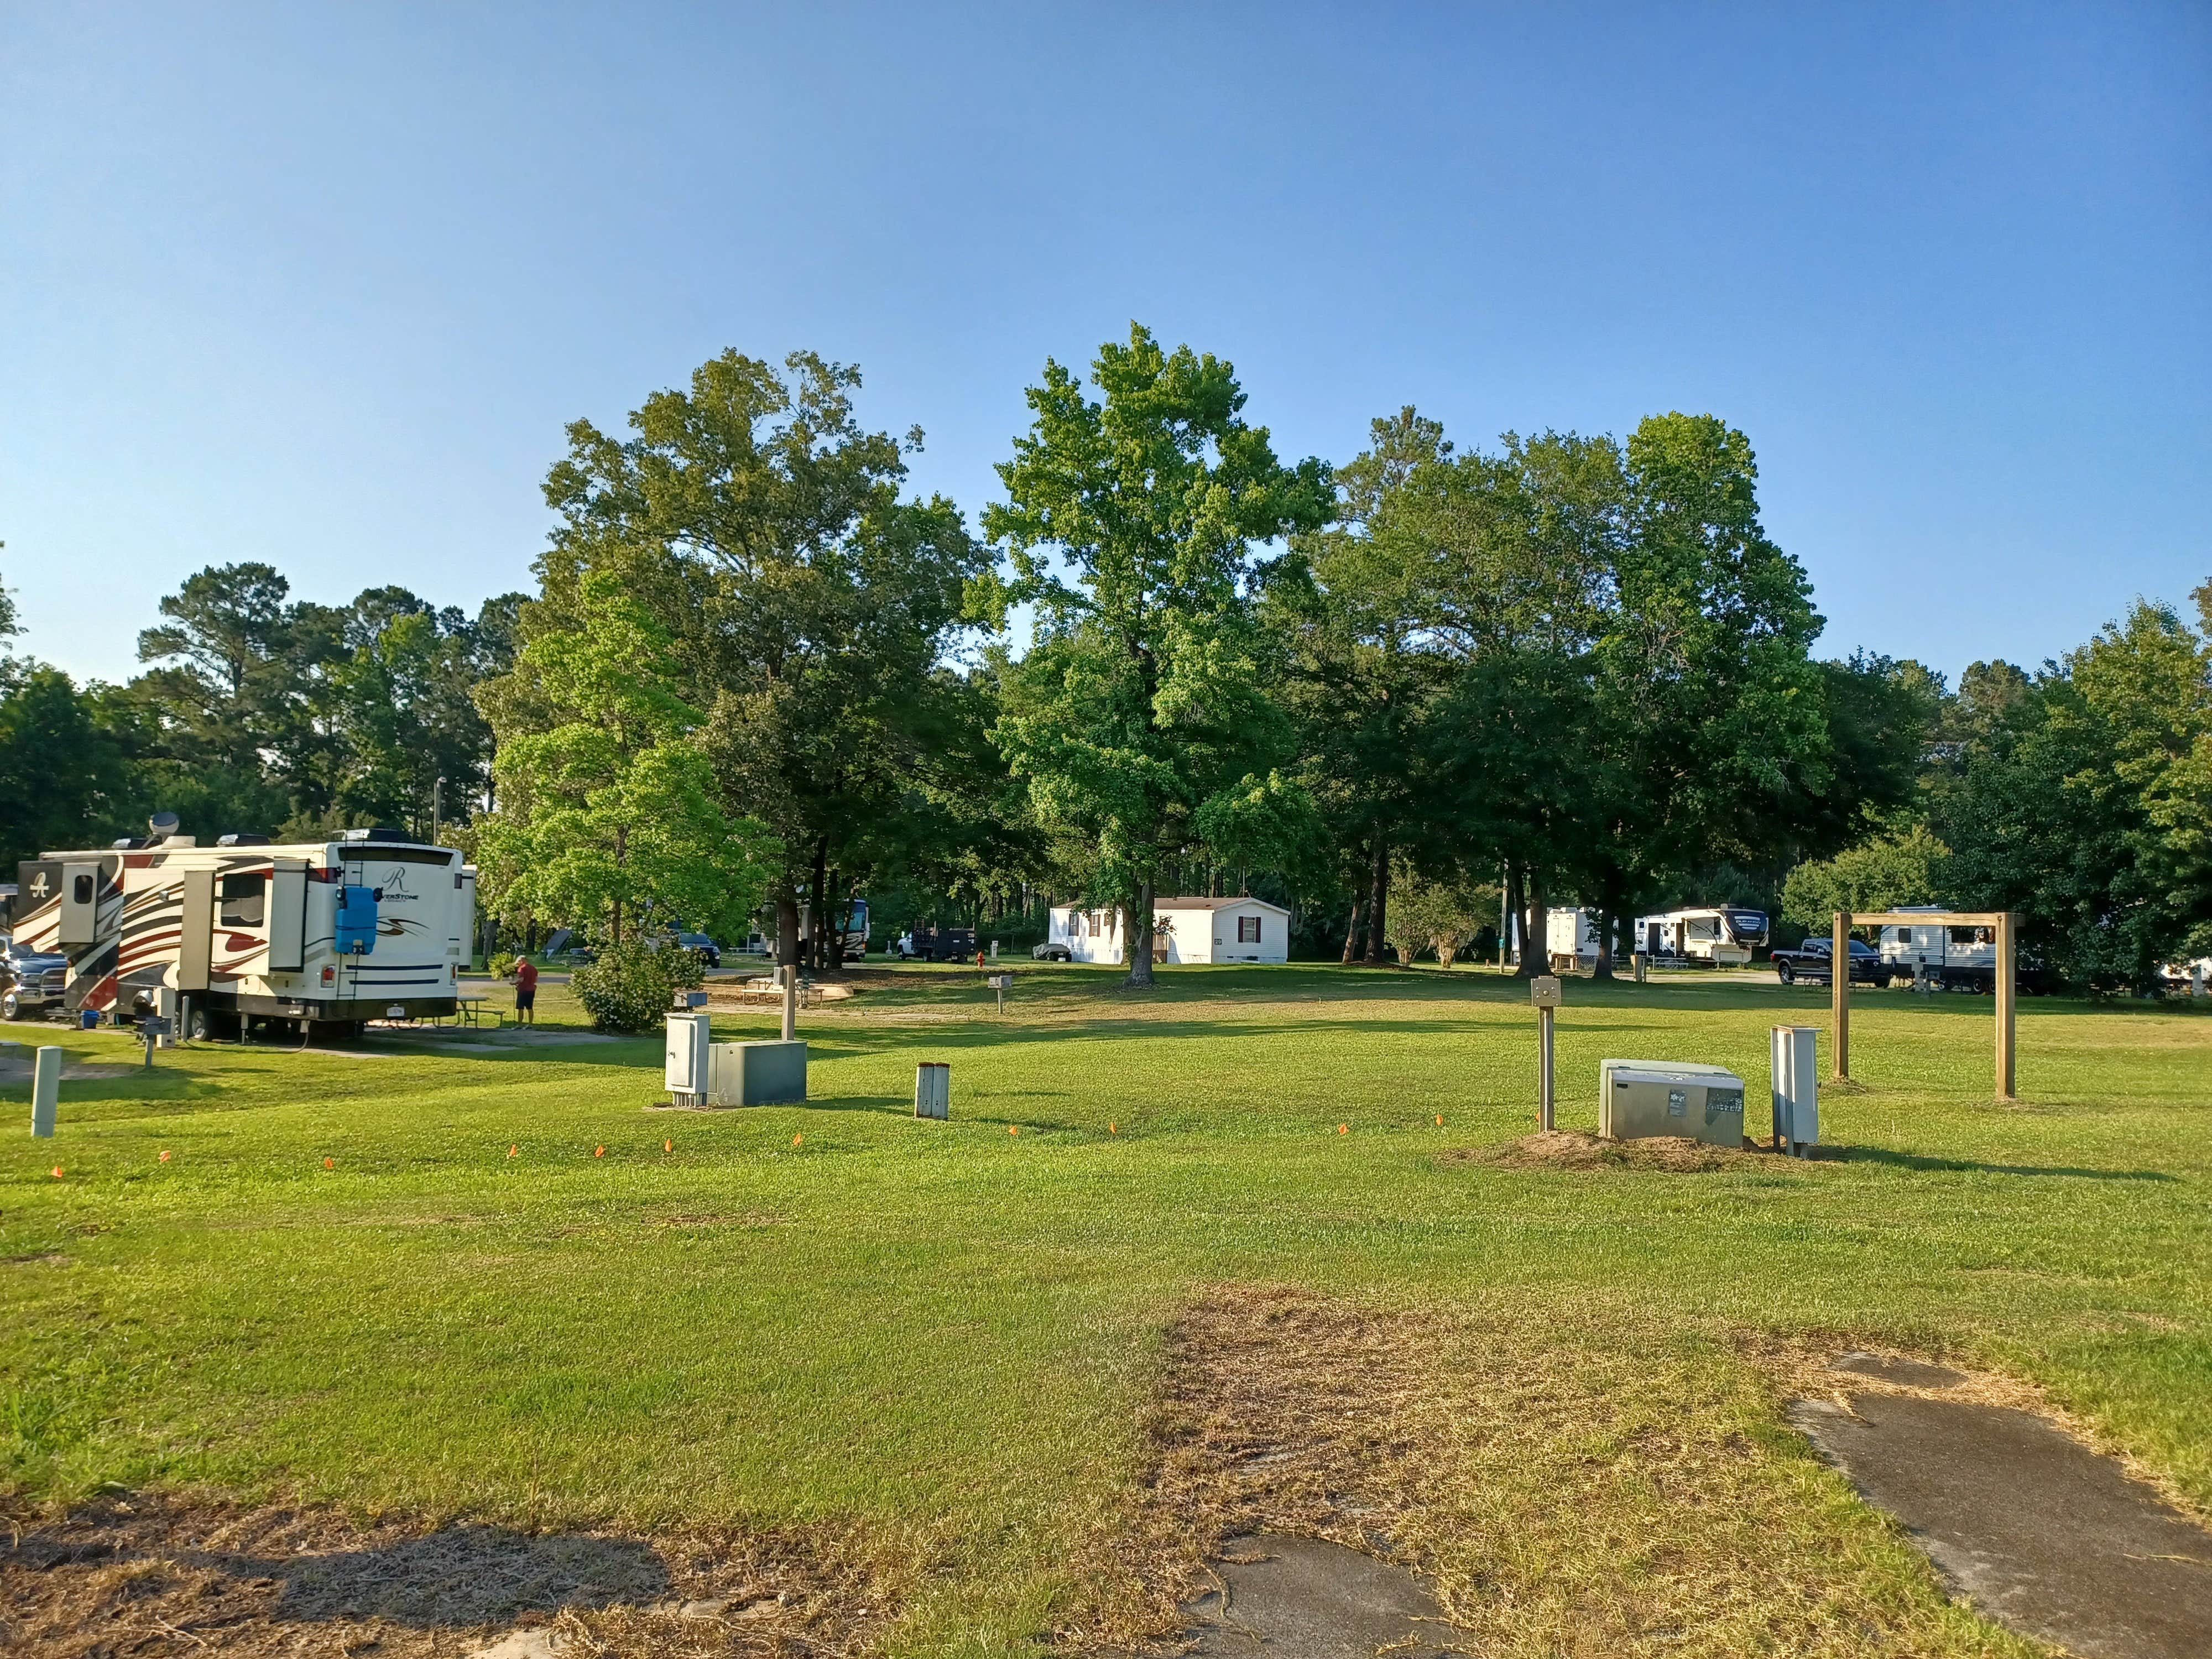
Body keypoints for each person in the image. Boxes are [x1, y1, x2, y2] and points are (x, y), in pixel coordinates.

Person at [514, 956, 538, 1025]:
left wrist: (514, 983)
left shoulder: (522, 968)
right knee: (530, 1008)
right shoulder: (533, 968)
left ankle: (520, 1024)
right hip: (531, 990)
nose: (518, 964)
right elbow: (536, 980)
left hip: (523, 990)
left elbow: (521, 979)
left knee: (520, 1008)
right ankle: (530, 1024)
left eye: (519, 962)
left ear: (521, 961)